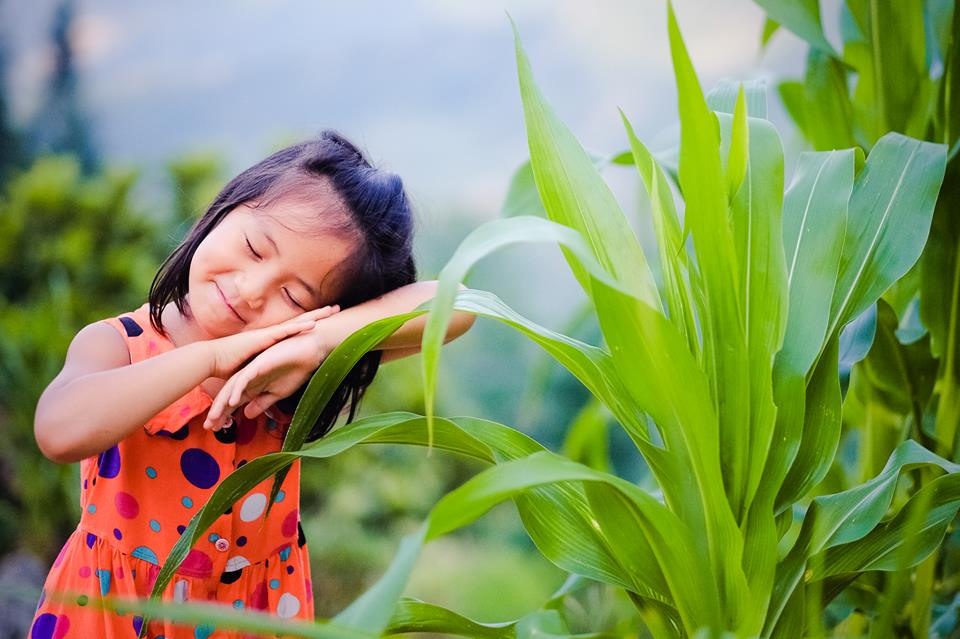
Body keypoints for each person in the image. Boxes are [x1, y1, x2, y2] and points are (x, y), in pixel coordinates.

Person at [28, 131, 474, 639]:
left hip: (253, 618)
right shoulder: (119, 344)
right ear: (221, 211)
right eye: (254, 248)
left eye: (294, 295)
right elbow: (58, 432)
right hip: (116, 616)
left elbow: (457, 305)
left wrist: (319, 341)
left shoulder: (294, 363)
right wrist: (210, 358)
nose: (251, 290)